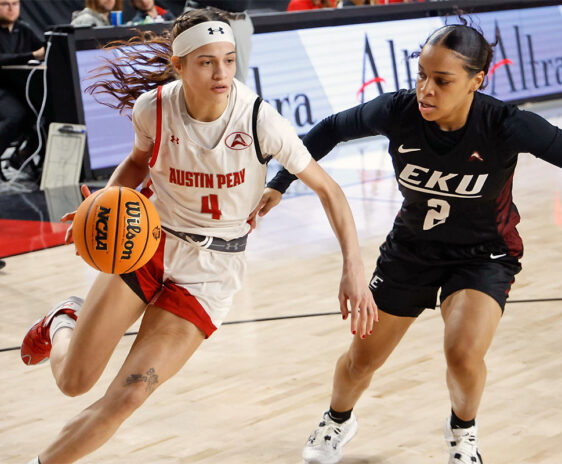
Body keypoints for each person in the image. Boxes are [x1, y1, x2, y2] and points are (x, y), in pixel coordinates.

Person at [252, 21, 562, 464]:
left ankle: (462, 433)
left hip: (484, 255)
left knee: (462, 352)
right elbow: (329, 129)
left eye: (442, 81)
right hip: (410, 252)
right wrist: (281, 182)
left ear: (477, 81)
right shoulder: (397, 112)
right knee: (362, 360)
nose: (426, 89)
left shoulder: (505, 125)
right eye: (421, 75)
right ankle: (338, 419)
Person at [19, 7, 378, 464]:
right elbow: (135, 162)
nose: (222, 72)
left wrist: (353, 269)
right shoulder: (154, 108)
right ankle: (64, 318)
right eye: (207, 62)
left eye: (228, 59)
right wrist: (103, 205)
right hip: (148, 246)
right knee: (73, 381)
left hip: (211, 271)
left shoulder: (259, 121)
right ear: (180, 65)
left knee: (128, 395)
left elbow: (329, 191)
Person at [0, 0, 44, 170]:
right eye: (5, 4)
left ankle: (22, 156)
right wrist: (31, 55)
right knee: (16, 115)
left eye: (15, 4)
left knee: (47, 114)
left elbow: (42, 49)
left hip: (21, 89)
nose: (11, 8)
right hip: (3, 90)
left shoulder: (24, 29)